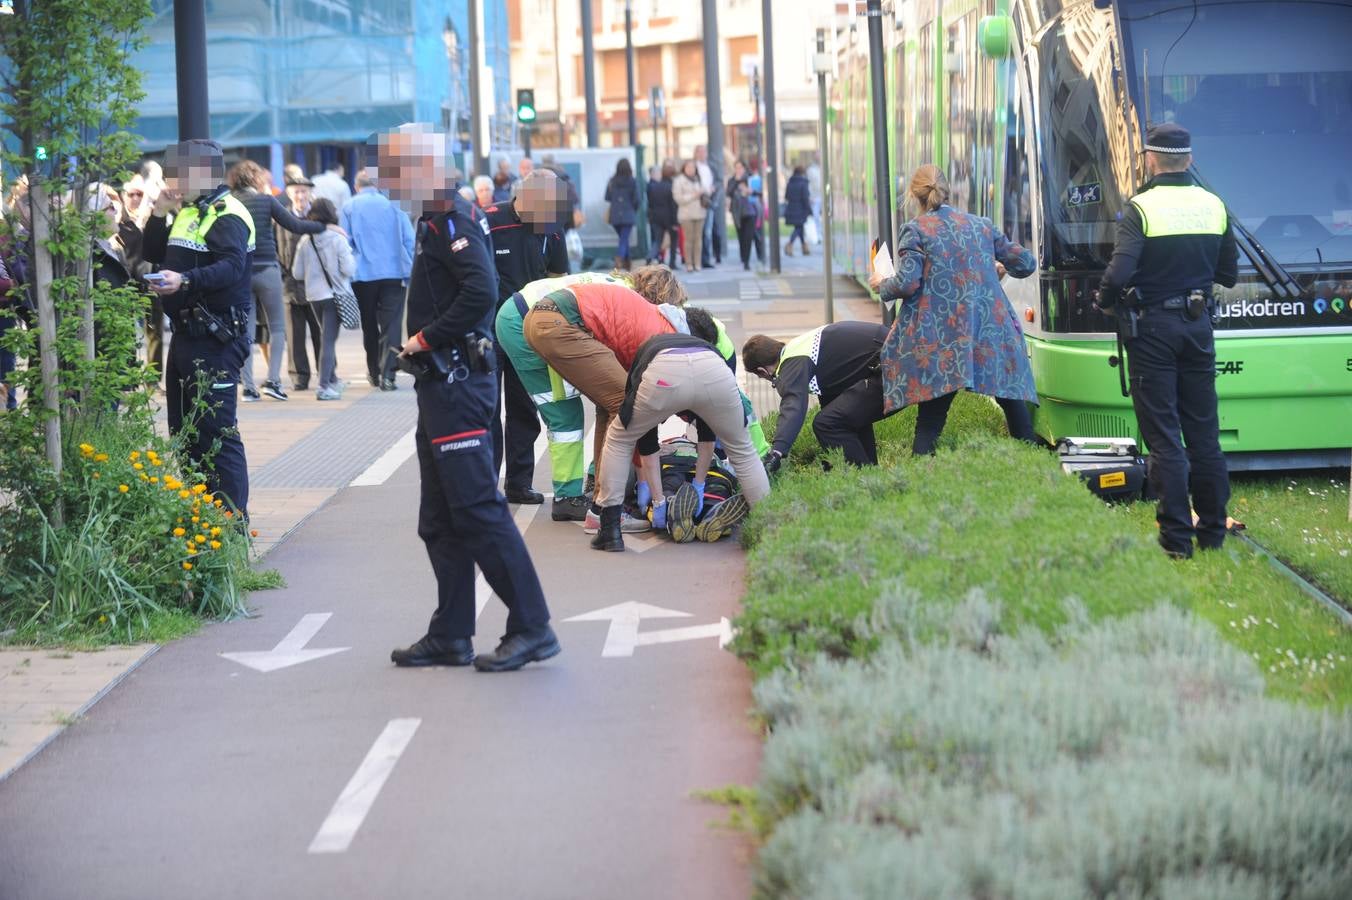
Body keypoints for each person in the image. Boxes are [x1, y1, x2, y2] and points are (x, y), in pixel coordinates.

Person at [378, 124, 558, 673]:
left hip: (457, 383)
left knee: (478, 508)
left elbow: (480, 290)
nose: (389, 182)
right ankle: (451, 633)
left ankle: (532, 626)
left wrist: (425, 339)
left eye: (394, 170)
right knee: (439, 517)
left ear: (422, 170)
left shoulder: (453, 218)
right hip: (440, 387)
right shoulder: (437, 218)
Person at [1096, 122, 1238, 559]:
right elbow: (1228, 275)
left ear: (1151, 161)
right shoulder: (1214, 205)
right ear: (1189, 160)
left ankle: (1176, 542)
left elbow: (1120, 273)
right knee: (1204, 435)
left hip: (1153, 330)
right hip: (1198, 327)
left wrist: (1105, 299)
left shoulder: (1141, 209)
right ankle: (1212, 533)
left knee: (1164, 438)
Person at [869, 164, 1040, 457]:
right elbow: (1025, 263)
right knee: (1012, 405)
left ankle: (924, 479)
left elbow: (909, 283)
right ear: (947, 190)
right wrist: (994, 267)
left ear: (913, 195)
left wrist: (882, 283)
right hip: (988, 331)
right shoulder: (981, 224)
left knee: (931, 421)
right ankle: (1035, 472)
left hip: (943, 340)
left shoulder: (915, 229)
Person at [521, 278, 705, 533]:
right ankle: (604, 510)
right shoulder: (662, 336)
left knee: (608, 404)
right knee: (625, 404)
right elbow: (641, 407)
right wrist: (646, 479)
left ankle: (602, 500)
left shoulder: (651, 316)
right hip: (558, 323)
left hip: (539, 320)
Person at [141, 139, 254, 515]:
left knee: (217, 433)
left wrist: (185, 281)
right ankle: (201, 518)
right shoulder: (189, 211)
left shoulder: (226, 213)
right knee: (185, 432)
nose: (172, 180)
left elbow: (232, 267)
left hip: (216, 338)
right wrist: (159, 212)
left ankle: (232, 527)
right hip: (186, 338)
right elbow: (153, 254)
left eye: (178, 172)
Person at [593, 316, 770, 552]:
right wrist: (698, 484)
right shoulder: (712, 348)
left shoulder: (651, 344)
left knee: (620, 438)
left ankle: (610, 530)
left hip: (664, 371)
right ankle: (767, 529)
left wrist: (656, 499)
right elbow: (707, 438)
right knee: (743, 451)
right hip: (713, 371)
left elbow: (646, 441)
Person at [483, 170, 570, 505]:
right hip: (488, 333)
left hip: (527, 335)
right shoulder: (490, 221)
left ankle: (519, 483)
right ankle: (486, 486)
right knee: (487, 410)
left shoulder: (552, 229)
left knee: (523, 410)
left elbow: (559, 280)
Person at [228, 160, 329, 401]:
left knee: (247, 330)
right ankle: (273, 381)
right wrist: (324, 226)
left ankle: (249, 387)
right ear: (256, 179)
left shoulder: (230, 203)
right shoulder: (266, 201)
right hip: (267, 269)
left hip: (242, 272)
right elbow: (294, 225)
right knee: (277, 327)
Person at [744, 321, 893, 470]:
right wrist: (829, 466)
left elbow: (793, 404)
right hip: (893, 353)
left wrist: (777, 451)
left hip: (891, 364)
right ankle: (870, 474)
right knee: (844, 418)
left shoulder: (793, 363)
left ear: (762, 371)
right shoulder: (799, 349)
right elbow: (833, 402)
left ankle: (864, 478)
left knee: (827, 424)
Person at [342, 170, 416, 391]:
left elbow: (345, 241)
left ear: (356, 186)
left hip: (363, 275)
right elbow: (409, 240)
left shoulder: (349, 206)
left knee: (369, 325)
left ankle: (373, 371)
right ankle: (388, 375)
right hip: (394, 272)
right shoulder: (395, 204)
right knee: (391, 324)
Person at [291, 198, 354, 401]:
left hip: (313, 296)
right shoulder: (338, 239)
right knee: (328, 341)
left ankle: (333, 380)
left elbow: (297, 273)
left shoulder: (305, 240)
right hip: (333, 295)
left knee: (325, 336)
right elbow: (348, 269)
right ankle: (324, 385)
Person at [277, 173, 323, 391]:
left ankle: (326, 372)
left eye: (304, 191)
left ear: (310, 193)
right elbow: (276, 247)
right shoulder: (281, 217)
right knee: (294, 335)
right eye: (296, 191)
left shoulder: (318, 218)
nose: (300, 195)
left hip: (316, 285)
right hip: (290, 284)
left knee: (320, 332)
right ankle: (299, 377)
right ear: (289, 194)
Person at [604, 158, 641, 271]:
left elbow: (607, 197)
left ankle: (627, 262)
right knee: (624, 239)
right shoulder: (632, 181)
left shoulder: (612, 181)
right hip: (628, 214)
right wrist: (632, 209)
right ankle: (619, 260)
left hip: (615, 215)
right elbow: (637, 200)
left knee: (623, 238)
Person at [673, 160, 707, 273]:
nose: (691, 169)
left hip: (700, 213)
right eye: (688, 167)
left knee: (698, 239)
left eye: (693, 167)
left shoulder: (698, 179)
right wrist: (694, 195)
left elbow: (704, 191)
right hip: (686, 215)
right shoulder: (679, 181)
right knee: (688, 240)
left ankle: (697, 263)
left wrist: (705, 191)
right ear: (684, 168)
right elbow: (678, 198)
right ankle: (689, 264)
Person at [727, 160, 758, 271]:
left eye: (741, 167)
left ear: (745, 168)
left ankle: (747, 261)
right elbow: (728, 192)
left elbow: (758, 192)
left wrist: (750, 191)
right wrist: (736, 181)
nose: (739, 170)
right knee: (741, 237)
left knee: (748, 237)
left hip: (750, 211)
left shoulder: (750, 179)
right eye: (737, 167)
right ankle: (743, 257)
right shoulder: (732, 180)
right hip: (737, 212)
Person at [647, 162, 679, 268]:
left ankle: (651, 256)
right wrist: (675, 222)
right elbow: (673, 206)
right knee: (673, 240)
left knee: (658, 240)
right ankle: (672, 262)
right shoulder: (672, 187)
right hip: (669, 217)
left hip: (656, 216)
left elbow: (650, 203)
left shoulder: (655, 186)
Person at [693, 144, 718, 267]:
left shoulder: (711, 167)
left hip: (708, 202)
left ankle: (706, 259)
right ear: (696, 153)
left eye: (704, 152)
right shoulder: (692, 167)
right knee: (697, 233)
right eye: (700, 152)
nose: (703, 154)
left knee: (707, 232)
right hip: (696, 202)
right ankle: (696, 259)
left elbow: (718, 181)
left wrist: (714, 190)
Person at [783, 165, 811, 257]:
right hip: (801, 209)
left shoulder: (790, 183)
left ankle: (804, 247)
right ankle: (790, 244)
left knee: (800, 227)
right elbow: (805, 198)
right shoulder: (804, 183)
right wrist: (808, 209)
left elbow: (786, 196)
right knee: (798, 228)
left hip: (791, 208)